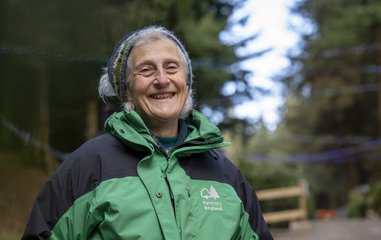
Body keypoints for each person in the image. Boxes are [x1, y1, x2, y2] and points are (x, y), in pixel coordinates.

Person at [22, 25, 273, 240]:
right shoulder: (88, 166)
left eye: (171, 67)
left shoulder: (226, 175)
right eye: (146, 70)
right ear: (127, 90)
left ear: (186, 82)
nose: (162, 79)